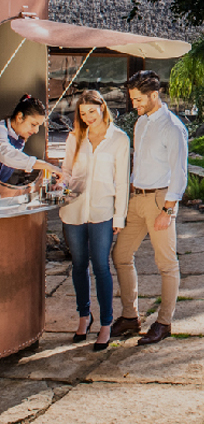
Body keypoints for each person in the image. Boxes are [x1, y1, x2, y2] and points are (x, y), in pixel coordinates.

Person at [111, 70, 188, 345]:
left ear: (154, 95)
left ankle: (164, 322)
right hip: (137, 199)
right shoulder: (141, 123)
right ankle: (130, 317)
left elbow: (179, 173)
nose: (134, 104)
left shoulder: (173, 126)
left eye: (138, 99)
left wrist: (168, 210)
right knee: (120, 254)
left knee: (166, 264)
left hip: (160, 201)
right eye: (132, 99)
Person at [59, 90, 130, 351]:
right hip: (73, 210)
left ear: (102, 107)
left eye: (92, 111)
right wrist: (61, 183)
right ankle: (83, 316)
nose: (88, 117)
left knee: (101, 266)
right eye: (83, 113)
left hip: (102, 212)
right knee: (79, 265)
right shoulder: (74, 138)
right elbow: (66, 171)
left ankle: (106, 323)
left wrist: (119, 216)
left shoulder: (119, 139)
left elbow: (122, 181)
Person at [0, 94, 62, 184]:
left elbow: (17, 163)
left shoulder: (19, 138)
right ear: (19, 117)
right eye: (33, 124)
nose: (36, 131)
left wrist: (45, 165)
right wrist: (46, 166)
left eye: (39, 126)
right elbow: (7, 156)